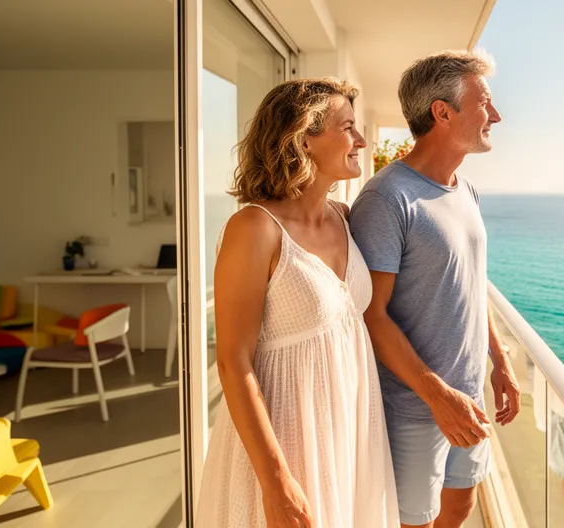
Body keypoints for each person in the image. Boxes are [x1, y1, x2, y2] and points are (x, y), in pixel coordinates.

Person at [196, 78, 399, 528]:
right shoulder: (254, 229)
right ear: (303, 139)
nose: (361, 140)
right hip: (285, 443)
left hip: (349, 432)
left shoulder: (345, 219)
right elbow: (233, 361)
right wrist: (276, 481)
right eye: (348, 127)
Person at [350, 49, 520, 528]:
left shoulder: (465, 191)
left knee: (461, 507)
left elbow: (470, 280)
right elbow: (371, 314)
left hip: (467, 396)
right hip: (414, 408)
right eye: (484, 102)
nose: (497, 115)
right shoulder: (387, 198)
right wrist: (438, 397)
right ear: (442, 112)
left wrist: (500, 360)